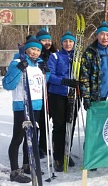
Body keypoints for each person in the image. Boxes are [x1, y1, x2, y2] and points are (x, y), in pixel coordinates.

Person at [2, 36, 49, 183]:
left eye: (37, 50)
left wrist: (46, 73)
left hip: (36, 105)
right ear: (26, 49)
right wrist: (18, 69)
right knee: (18, 137)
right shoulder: (17, 62)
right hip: (21, 106)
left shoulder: (39, 63)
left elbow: (42, 84)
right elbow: (7, 84)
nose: (35, 52)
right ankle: (15, 171)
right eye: (32, 49)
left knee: (32, 138)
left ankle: (27, 165)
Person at [46, 31, 79, 172]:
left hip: (73, 95)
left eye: (70, 41)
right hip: (57, 94)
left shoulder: (77, 58)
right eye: (65, 41)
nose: (68, 44)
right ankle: (58, 156)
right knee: (59, 126)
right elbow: (49, 75)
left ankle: (67, 152)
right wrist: (63, 81)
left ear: (74, 43)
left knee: (70, 125)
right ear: (62, 43)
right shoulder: (55, 56)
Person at [80, 22, 108, 109]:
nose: (105, 38)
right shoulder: (90, 52)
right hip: (96, 97)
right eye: (102, 34)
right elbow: (84, 76)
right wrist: (86, 97)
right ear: (97, 36)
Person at [36, 27, 58, 159]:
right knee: (39, 120)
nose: (47, 43)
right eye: (44, 40)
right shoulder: (36, 55)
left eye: (48, 40)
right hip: (39, 92)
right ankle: (37, 146)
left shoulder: (54, 54)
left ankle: (43, 145)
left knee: (47, 120)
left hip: (52, 92)